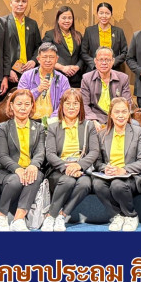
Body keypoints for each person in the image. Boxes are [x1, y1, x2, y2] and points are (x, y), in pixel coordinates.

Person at [42, 89, 100, 232]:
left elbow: (94, 151)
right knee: (68, 180)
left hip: (80, 168)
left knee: (85, 184)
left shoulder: (88, 126)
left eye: (75, 103)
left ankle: (60, 216)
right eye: (68, 103)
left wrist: (78, 166)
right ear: (62, 105)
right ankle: (51, 216)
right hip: (58, 169)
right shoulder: (53, 126)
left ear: (81, 106)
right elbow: (50, 154)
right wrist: (66, 167)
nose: (71, 107)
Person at [92, 97, 141, 232]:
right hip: (109, 175)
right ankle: (117, 215)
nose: (121, 115)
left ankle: (131, 215)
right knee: (97, 184)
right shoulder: (102, 134)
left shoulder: (138, 132)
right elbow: (97, 162)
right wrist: (105, 168)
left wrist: (123, 170)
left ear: (129, 113)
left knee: (117, 185)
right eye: (117, 112)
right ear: (111, 114)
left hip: (130, 176)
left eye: (124, 111)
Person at [0, 89, 46, 231]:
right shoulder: (3, 127)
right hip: (9, 172)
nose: (23, 108)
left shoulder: (39, 128)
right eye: (19, 104)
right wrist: (17, 169)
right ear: (11, 106)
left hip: (30, 169)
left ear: (32, 106)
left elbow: (40, 152)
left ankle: (19, 219)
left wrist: (33, 165)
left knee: (35, 176)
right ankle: (1, 216)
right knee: (16, 180)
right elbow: (2, 155)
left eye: (27, 104)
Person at [80, 47, 132, 130]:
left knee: (135, 125)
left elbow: (127, 103)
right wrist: (93, 120)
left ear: (113, 61)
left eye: (107, 60)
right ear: (95, 61)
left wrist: (119, 118)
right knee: (88, 127)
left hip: (117, 116)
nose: (104, 63)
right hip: (96, 117)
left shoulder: (123, 78)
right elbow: (84, 104)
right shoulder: (86, 78)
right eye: (101, 60)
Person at [17, 42, 71, 120]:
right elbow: (20, 100)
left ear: (56, 59)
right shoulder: (27, 76)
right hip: (29, 120)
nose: (48, 60)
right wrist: (38, 90)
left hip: (53, 121)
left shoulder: (63, 79)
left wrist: (52, 120)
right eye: (44, 57)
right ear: (38, 59)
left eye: (51, 57)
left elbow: (65, 104)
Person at [42, 6, 85, 88]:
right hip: (57, 77)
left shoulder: (78, 35)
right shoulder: (50, 35)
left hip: (76, 79)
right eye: (64, 18)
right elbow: (44, 56)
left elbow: (82, 55)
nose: (67, 21)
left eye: (70, 18)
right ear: (58, 20)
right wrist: (62, 68)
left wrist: (77, 67)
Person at [6, 0, 41, 83]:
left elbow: (38, 46)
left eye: (24, 1)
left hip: (29, 72)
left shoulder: (32, 24)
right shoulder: (2, 23)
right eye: (17, 1)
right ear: (11, 3)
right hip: (10, 74)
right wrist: (7, 71)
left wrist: (34, 61)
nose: (20, 4)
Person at [81, 2, 128, 71]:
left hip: (113, 69)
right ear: (97, 14)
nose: (104, 16)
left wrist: (113, 62)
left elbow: (125, 52)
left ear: (111, 15)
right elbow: (83, 52)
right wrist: (95, 63)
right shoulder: (89, 31)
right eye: (101, 13)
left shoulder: (119, 31)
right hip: (94, 70)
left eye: (107, 13)